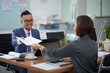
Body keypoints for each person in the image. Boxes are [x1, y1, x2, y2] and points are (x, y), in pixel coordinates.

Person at [32, 15, 98, 73]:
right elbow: (87, 59)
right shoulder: (94, 44)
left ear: (79, 28)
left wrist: (41, 47)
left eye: (75, 25)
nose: (74, 28)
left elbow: (55, 53)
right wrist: (73, 59)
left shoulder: (75, 45)